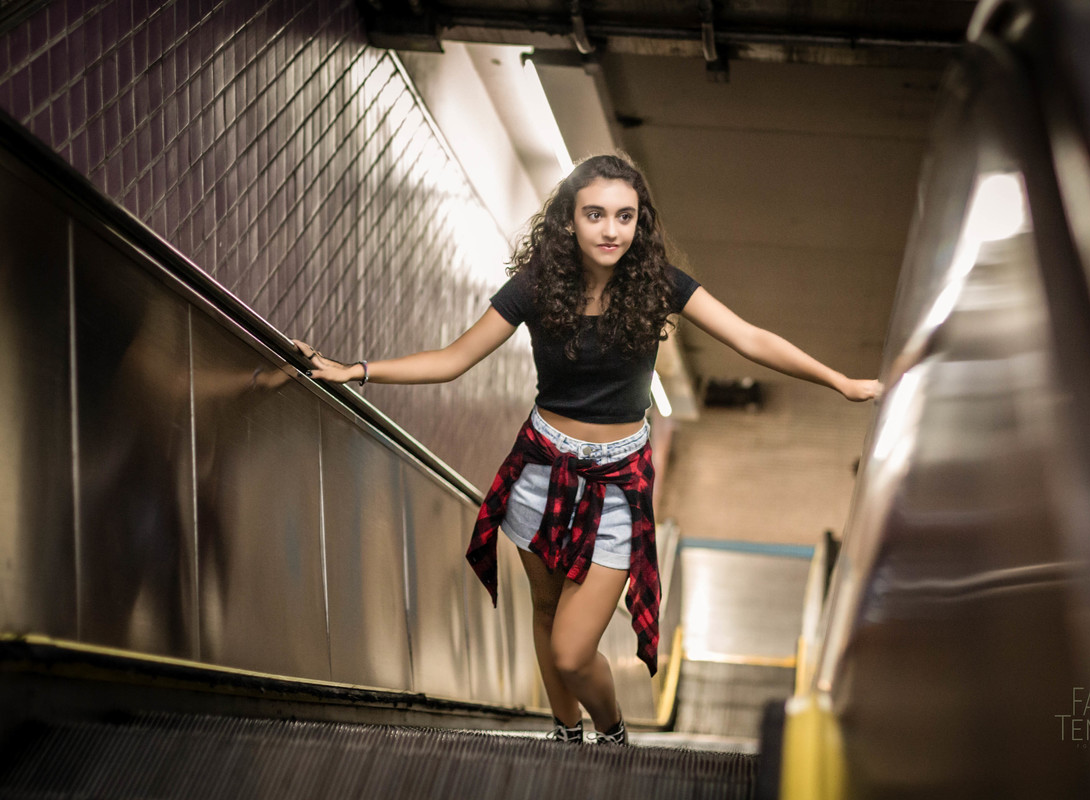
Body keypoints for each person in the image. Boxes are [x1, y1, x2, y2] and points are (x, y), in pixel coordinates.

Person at [293, 153, 878, 746]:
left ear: (640, 223)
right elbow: (453, 359)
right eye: (595, 214)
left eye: (625, 216)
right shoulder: (536, 286)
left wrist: (841, 382)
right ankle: (566, 735)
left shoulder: (659, 284)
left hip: (619, 483)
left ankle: (612, 733)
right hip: (541, 470)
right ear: (569, 219)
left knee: (573, 651)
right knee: (546, 615)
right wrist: (355, 370)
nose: (610, 230)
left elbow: (749, 338)